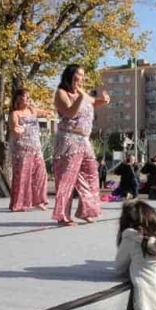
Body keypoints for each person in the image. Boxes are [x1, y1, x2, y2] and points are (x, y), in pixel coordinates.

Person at [52, 64, 108, 226]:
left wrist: (103, 100)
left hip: (84, 140)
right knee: (66, 179)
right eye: (80, 75)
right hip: (68, 139)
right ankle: (62, 216)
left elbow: (94, 102)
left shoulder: (81, 94)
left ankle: (87, 210)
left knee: (91, 174)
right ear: (70, 75)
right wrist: (82, 97)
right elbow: (69, 112)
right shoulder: (61, 93)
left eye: (84, 76)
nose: (82, 79)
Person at [8, 89, 52, 212]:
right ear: (18, 99)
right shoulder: (14, 114)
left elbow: (45, 112)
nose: (28, 99)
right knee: (22, 176)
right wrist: (19, 130)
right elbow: (14, 130)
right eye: (25, 97)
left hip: (36, 148)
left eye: (28, 97)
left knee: (41, 174)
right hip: (21, 149)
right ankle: (19, 204)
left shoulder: (32, 110)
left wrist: (48, 114)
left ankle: (40, 201)